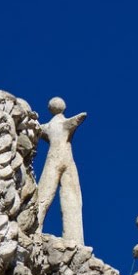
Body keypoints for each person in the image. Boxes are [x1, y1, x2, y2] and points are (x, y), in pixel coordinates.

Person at [36, 97, 87, 243]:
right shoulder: (64, 123)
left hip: (54, 157)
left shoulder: (47, 127)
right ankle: (75, 238)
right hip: (65, 158)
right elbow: (79, 118)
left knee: (46, 192)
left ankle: (36, 226)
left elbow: (37, 128)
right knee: (71, 196)